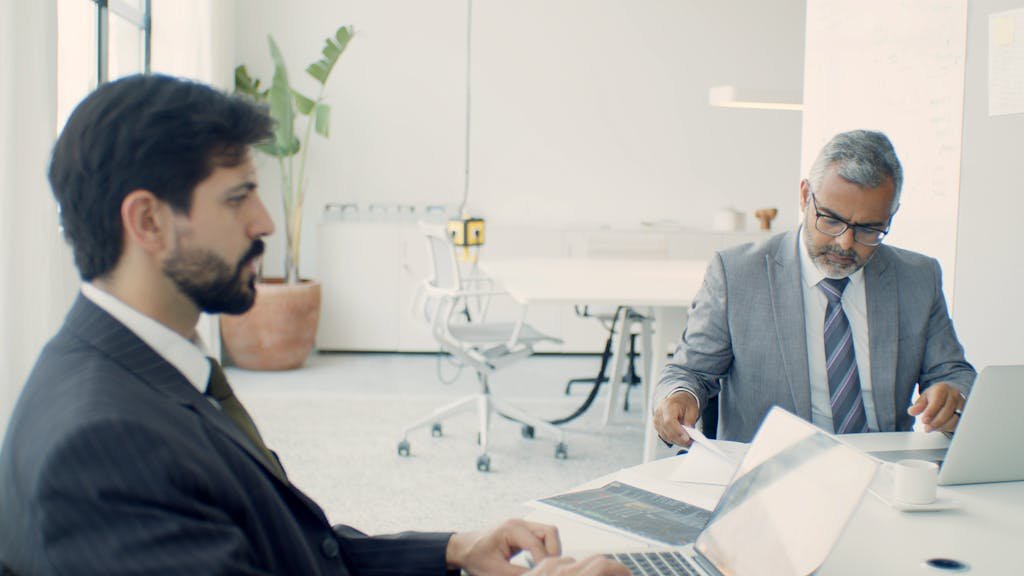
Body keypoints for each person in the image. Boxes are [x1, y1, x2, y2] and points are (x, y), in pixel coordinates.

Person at [0, 74, 627, 576]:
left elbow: (288, 552)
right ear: (148, 223)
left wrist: (453, 549)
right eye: (237, 196)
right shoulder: (104, 447)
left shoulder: (139, 369)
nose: (265, 221)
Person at [653, 130, 976, 446]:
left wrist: (952, 392)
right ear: (806, 196)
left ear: (891, 215)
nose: (845, 242)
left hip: (884, 470)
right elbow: (690, 372)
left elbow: (951, 371)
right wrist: (679, 395)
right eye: (831, 220)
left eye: (868, 229)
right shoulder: (738, 274)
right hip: (773, 472)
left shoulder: (917, 277)